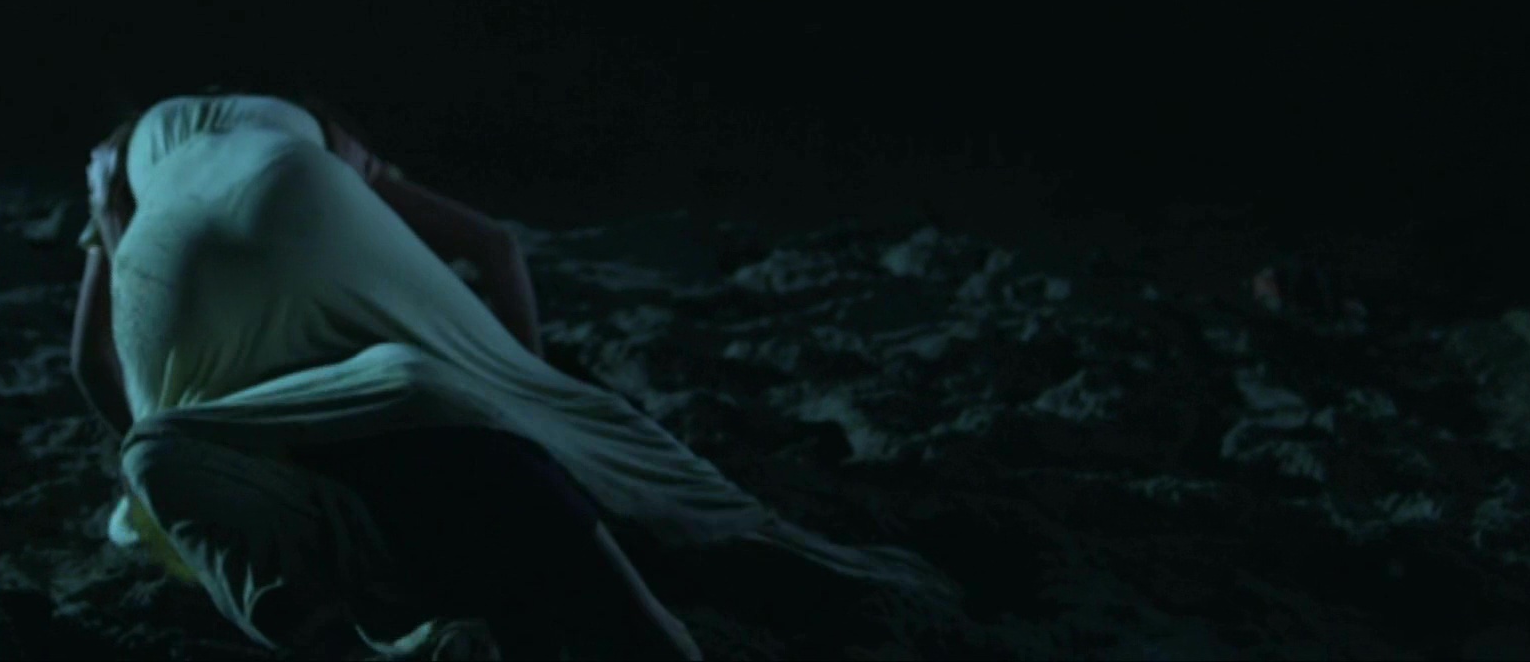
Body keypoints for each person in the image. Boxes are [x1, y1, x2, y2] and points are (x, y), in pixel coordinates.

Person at [68, 93, 948, 659]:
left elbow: (88, 360)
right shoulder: (305, 126)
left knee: (166, 455)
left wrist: (114, 240)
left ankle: (366, 615)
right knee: (436, 387)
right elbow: (494, 245)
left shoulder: (118, 166)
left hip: (160, 257)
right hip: (293, 186)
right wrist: (523, 379)